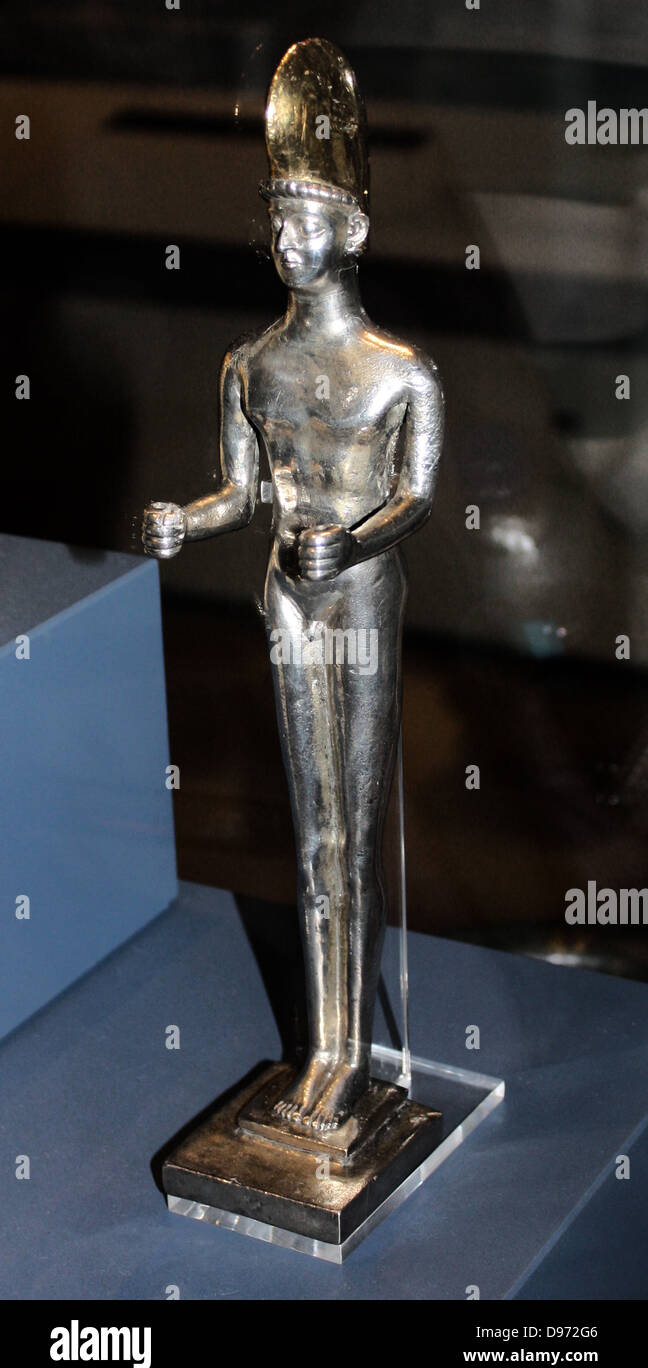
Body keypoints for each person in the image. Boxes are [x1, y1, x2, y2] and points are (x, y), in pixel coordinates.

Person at [143, 38, 444, 1133]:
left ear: (352, 230)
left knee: (353, 834)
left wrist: (356, 542)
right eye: (274, 219)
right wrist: (188, 516)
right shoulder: (252, 366)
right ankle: (323, 1048)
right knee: (310, 833)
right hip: (288, 601)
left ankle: (352, 1057)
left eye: (303, 218)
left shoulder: (402, 372)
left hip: (358, 604)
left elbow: (412, 497)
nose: (283, 239)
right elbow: (245, 492)